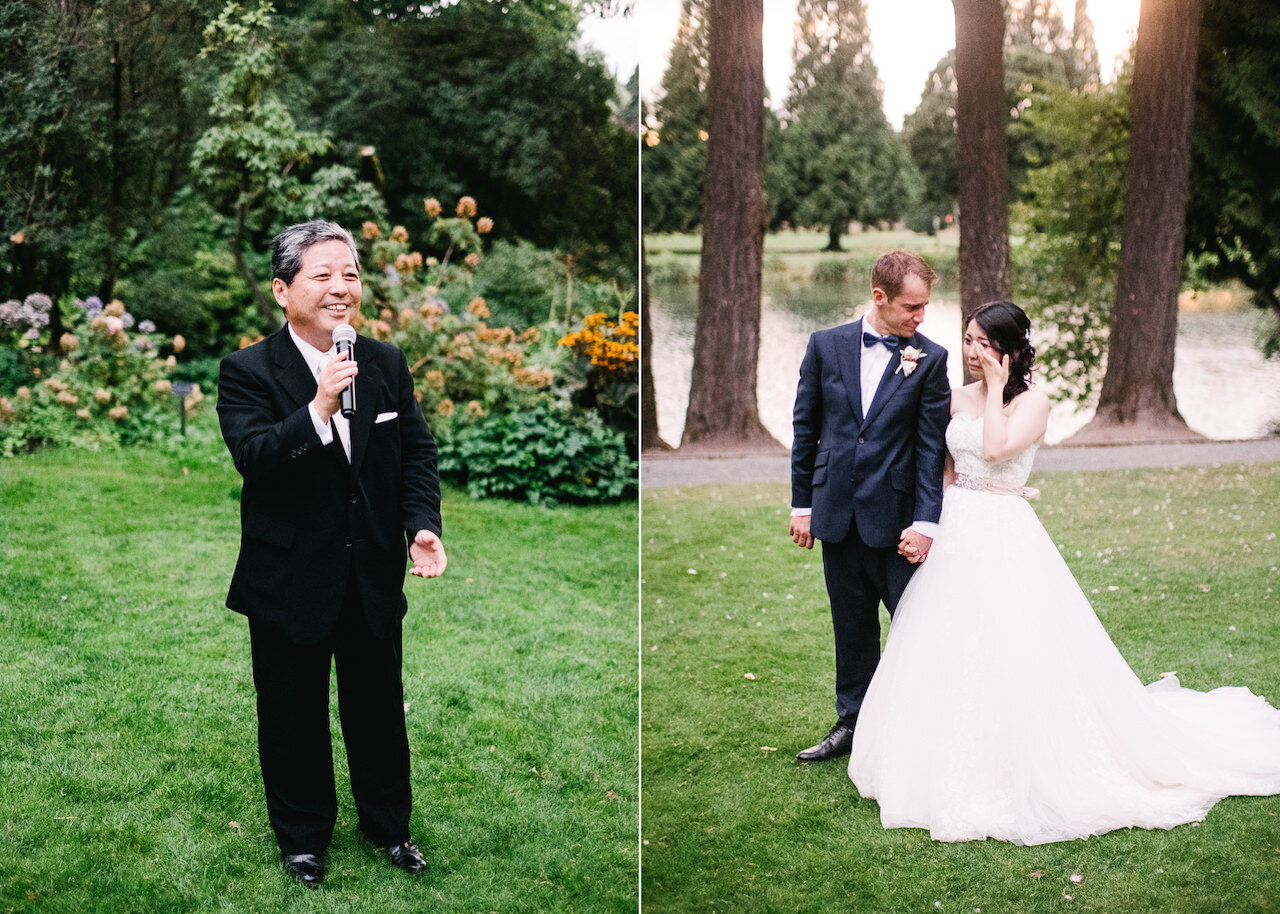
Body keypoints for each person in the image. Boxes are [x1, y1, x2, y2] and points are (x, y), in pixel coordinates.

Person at [848, 300, 1280, 845]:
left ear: (1009, 349)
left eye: (985, 343)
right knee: (949, 643)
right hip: (958, 529)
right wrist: (928, 526)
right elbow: (947, 470)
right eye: (968, 340)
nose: (973, 351)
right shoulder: (955, 397)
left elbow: (997, 447)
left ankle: (1033, 756)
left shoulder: (1034, 403)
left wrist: (999, 390)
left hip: (1005, 530)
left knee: (1017, 643)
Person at [217, 220, 447, 886]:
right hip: (287, 574)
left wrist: (420, 524)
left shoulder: (384, 362)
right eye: (323, 275)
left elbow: (416, 454)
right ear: (282, 289)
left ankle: (389, 829)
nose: (340, 287)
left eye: (349, 273)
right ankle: (302, 838)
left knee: (377, 708)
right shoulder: (248, 371)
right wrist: (318, 407)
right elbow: (256, 459)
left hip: (370, 569)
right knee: (291, 713)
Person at [789, 250, 952, 762]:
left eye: (925, 306)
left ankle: (927, 729)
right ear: (879, 297)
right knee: (851, 629)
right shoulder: (824, 346)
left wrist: (926, 521)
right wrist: (802, 505)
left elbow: (931, 449)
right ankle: (852, 726)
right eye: (912, 307)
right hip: (836, 515)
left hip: (899, 520)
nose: (920, 317)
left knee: (917, 628)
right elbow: (806, 430)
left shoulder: (931, 359)